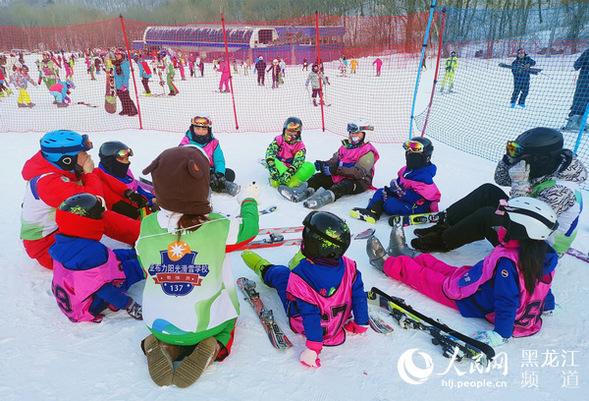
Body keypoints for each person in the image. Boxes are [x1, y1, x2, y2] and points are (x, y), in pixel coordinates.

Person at [136, 146, 260, 387]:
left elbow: (145, 267)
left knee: (169, 312)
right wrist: (249, 200)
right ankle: (215, 345)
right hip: (206, 325)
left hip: (158, 322)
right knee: (229, 320)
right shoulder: (219, 226)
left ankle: (165, 344)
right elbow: (250, 229)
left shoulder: (147, 225)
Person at [366, 197, 559, 347]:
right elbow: (544, 286)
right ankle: (409, 254)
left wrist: (501, 334)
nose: (501, 226)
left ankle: (386, 264)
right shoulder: (543, 254)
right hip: (479, 282)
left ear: (520, 230)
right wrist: (548, 305)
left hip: (471, 299)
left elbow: (506, 300)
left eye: (506, 223)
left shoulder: (508, 265)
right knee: (445, 269)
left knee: (426, 278)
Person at [411, 127, 586, 259]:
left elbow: (525, 220)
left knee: (487, 216)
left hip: (539, 251)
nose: (516, 157)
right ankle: (443, 224)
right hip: (528, 225)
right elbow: (501, 180)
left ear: (541, 158)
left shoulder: (562, 190)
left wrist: (519, 182)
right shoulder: (545, 166)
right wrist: (508, 161)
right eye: (513, 150)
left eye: (519, 153)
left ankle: (443, 241)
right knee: (487, 191)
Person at [241, 211, 369, 368]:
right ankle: (298, 261)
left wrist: (313, 348)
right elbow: (359, 297)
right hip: (337, 323)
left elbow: (310, 315)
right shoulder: (351, 267)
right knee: (300, 270)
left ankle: (263, 268)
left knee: (281, 275)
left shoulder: (300, 277)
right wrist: (360, 323)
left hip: (303, 324)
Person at [20, 130, 141, 270]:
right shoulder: (48, 183)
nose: (88, 156)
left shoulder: (60, 167)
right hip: (48, 247)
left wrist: (126, 192)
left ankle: (141, 226)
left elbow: (99, 176)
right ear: (66, 159)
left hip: (59, 232)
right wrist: (88, 173)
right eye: (83, 153)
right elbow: (96, 203)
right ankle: (140, 245)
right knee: (94, 213)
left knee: (94, 181)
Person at [49, 193, 145, 323]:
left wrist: (133, 253)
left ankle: (138, 255)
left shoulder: (66, 242)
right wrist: (130, 305)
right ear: (85, 223)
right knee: (133, 268)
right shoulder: (90, 252)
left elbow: (110, 257)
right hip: (88, 304)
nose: (102, 219)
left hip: (75, 298)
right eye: (99, 217)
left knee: (117, 257)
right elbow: (103, 289)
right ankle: (151, 263)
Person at [288, 120, 380, 209]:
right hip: (340, 175)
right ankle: (303, 191)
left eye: (356, 133)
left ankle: (322, 199)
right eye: (351, 133)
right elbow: (335, 160)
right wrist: (324, 164)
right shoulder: (346, 146)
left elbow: (359, 172)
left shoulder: (368, 152)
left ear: (366, 135)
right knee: (319, 177)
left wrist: (335, 170)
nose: (352, 135)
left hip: (359, 181)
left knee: (342, 185)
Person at [350, 137, 441, 224]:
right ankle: (372, 212)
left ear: (426, 156)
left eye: (414, 150)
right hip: (403, 198)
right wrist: (390, 191)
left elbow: (416, 197)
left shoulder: (424, 177)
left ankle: (388, 207)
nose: (409, 153)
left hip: (419, 206)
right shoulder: (406, 170)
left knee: (390, 204)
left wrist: (401, 193)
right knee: (380, 191)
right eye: (408, 150)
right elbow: (399, 183)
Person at [179, 114, 240, 196]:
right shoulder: (186, 142)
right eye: (197, 128)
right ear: (192, 129)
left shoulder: (214, 143)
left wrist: (220, 174)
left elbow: (219, 160)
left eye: (204, 129)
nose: (201, 132)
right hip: (194, 172)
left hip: (211, 172)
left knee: (229, 174)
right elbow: (182, 161)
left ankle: (213, 183)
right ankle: (207, 187)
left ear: (209, 129)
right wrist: (207, 172)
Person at [98, 141, 155, 220]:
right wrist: (150, 202)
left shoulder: (124, 172)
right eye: (123, 159)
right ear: (111, 161)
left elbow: (136, 187)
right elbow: (127, 206)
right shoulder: (106, 182)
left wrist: (151, 197)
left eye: (127, 159)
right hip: (130, 216)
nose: (127, 163)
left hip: (141, 204)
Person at [264, 117, 315, 192]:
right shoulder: (279, 139)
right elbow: (270, 151)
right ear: (284, 130)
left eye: (293, 132)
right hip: (280, 166)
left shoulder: (300, 146)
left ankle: (291, 181)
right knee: (270, 160)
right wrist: (271, 165)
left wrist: (290, 172)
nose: (290, 133)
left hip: (292, 169)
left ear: (298, 133)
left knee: (310, 167)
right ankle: (278, 178)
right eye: (288, 131)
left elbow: (299, 161)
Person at [563, 47, 589, 131]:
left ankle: (581, 121)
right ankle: (573, 121)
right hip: (585, 81)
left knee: (586, 101)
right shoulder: (588, 52)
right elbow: (577, 65)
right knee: (581, 99)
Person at [113, 51, 138, 116]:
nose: (117, 56)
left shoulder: (124, 64)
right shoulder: (117, 63)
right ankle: (125, 109)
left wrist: (125, 85)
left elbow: (126, 75)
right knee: (121, 98)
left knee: (126, 98)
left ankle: (133, 110)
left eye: (119, 55)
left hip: (123, 84)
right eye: (116, 55)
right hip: (118, 84)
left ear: (122, 55)